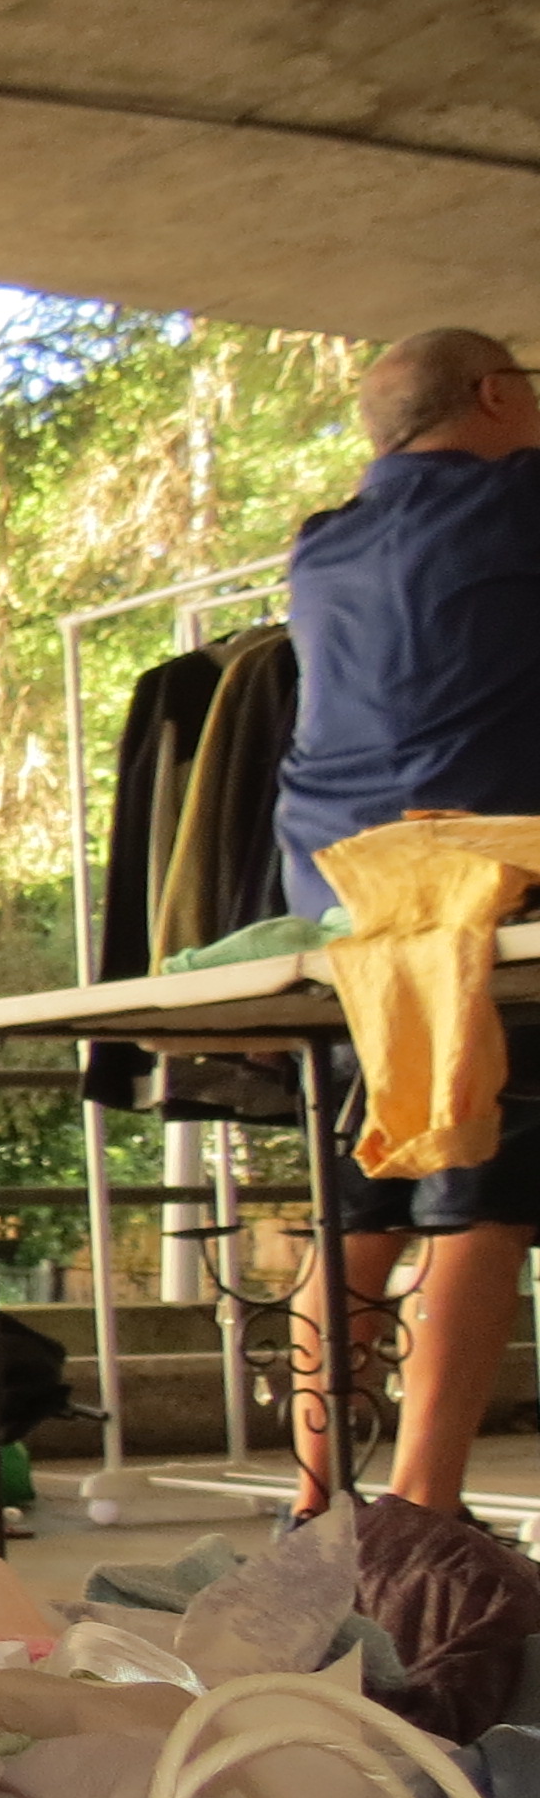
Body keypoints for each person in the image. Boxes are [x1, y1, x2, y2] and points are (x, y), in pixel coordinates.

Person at [274, 325, 540, 1524]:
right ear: (495, 395)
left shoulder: (319, 547)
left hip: (337, 898)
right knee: (487, 1189)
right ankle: (425, 1511)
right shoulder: (515, 502)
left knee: (360, 1200)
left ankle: (313, 1503)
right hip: (481, 882)